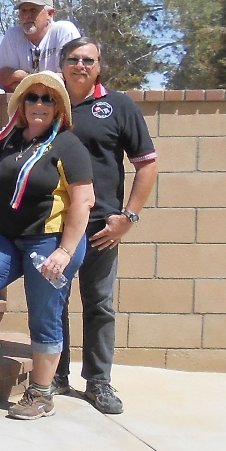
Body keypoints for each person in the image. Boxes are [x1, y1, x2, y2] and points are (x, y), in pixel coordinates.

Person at [0, 72, 95, 421]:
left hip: (51, 241)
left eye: (48, 99)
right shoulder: (10, 140)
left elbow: (84, 201)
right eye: (32, 97)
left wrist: (64, 251)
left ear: (59, 107)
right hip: (8, 237)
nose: (39, 104)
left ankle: (42, 393)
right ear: (21, 104)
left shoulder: (68, 145)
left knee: (44, 315)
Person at [57, 38, 158, 413]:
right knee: (54, 302)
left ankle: (98, 382)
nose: (80, 65)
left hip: (101, 227)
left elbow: (147, 164)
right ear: (62, 64)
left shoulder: (119, 106)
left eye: (89, 60)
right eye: (73, 59)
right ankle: (54, 377)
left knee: (98, 303)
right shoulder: (49, 103)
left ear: (98, 66)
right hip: (55, 224)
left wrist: (128, 217)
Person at [0, 0, 82, 92]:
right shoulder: (13, 35)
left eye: (33, 10)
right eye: (23, 10)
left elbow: (70, 78)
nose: (27, 15)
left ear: (50, 14)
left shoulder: (64, 31)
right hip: (27, 102)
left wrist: (23, 79)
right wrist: (19, 75)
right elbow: (2, 78)